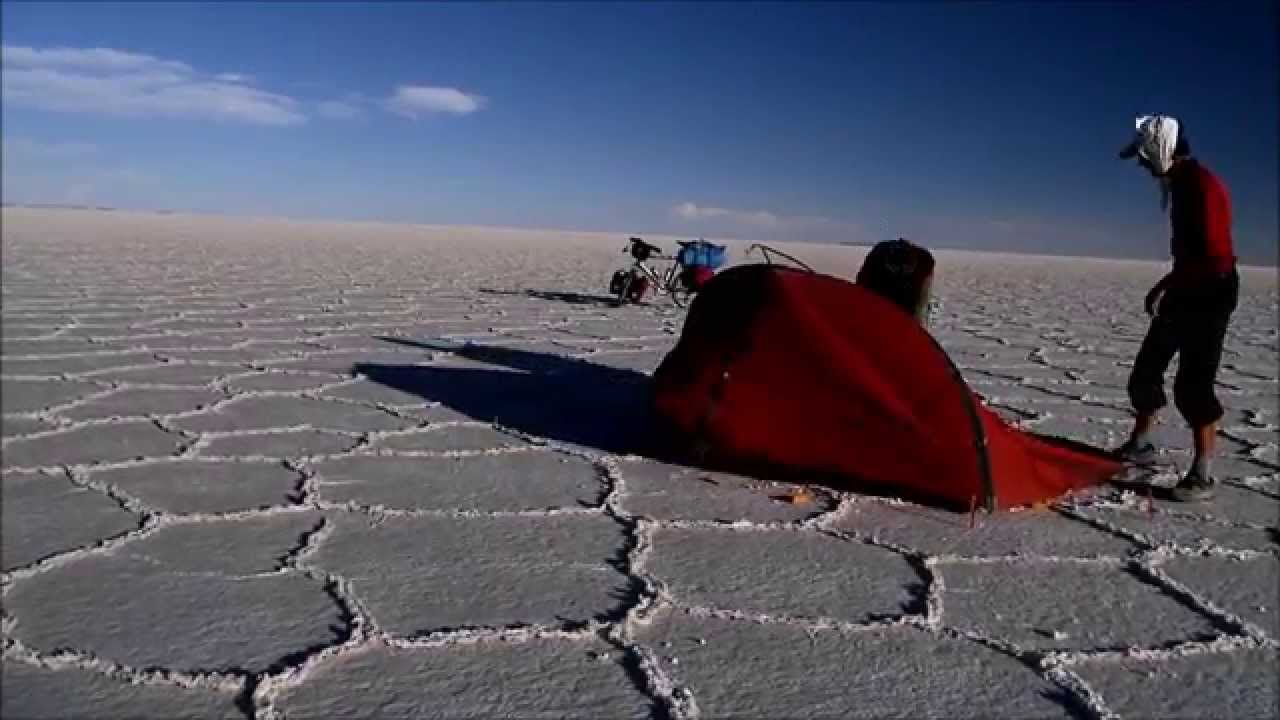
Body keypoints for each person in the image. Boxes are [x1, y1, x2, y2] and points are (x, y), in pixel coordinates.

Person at [1115, 114, 1239, 501]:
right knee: (1146, 370)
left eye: (1143, 155)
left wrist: (1177, 287)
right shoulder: (1181, 185)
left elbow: (1215, 258)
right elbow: (1192, 255)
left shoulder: (1201, 187)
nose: (1141, 164)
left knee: (1193, 385)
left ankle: (1202, 473)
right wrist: (1166, 284)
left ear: (1161, 149)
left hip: (1211, 291)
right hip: (1187, 285)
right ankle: (1142, 445)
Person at [855, 238, 935, 326]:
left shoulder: (924, 263)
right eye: (896, 269)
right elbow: (861, 288)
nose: (901, 271)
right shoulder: (877, 257)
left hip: (911, 290)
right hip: (880, 287)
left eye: (906, 269)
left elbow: (920, 304)